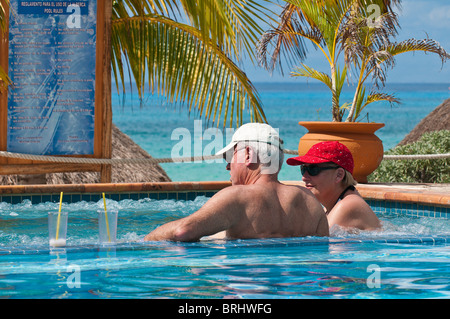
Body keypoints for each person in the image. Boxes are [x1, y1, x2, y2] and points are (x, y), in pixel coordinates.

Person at [144, 123, 329, 242]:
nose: (228, 166)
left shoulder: (237, 197)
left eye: (229, 156)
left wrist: (144, 240)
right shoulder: (310, 202)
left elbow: (183, 232)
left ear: (248, 154)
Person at [286, 141, 381, 232]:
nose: (304, 177)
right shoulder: (330, 208)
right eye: (303, 169)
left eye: (313, 169)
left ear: (339, 175)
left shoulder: (348, 205)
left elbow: (321, 245)